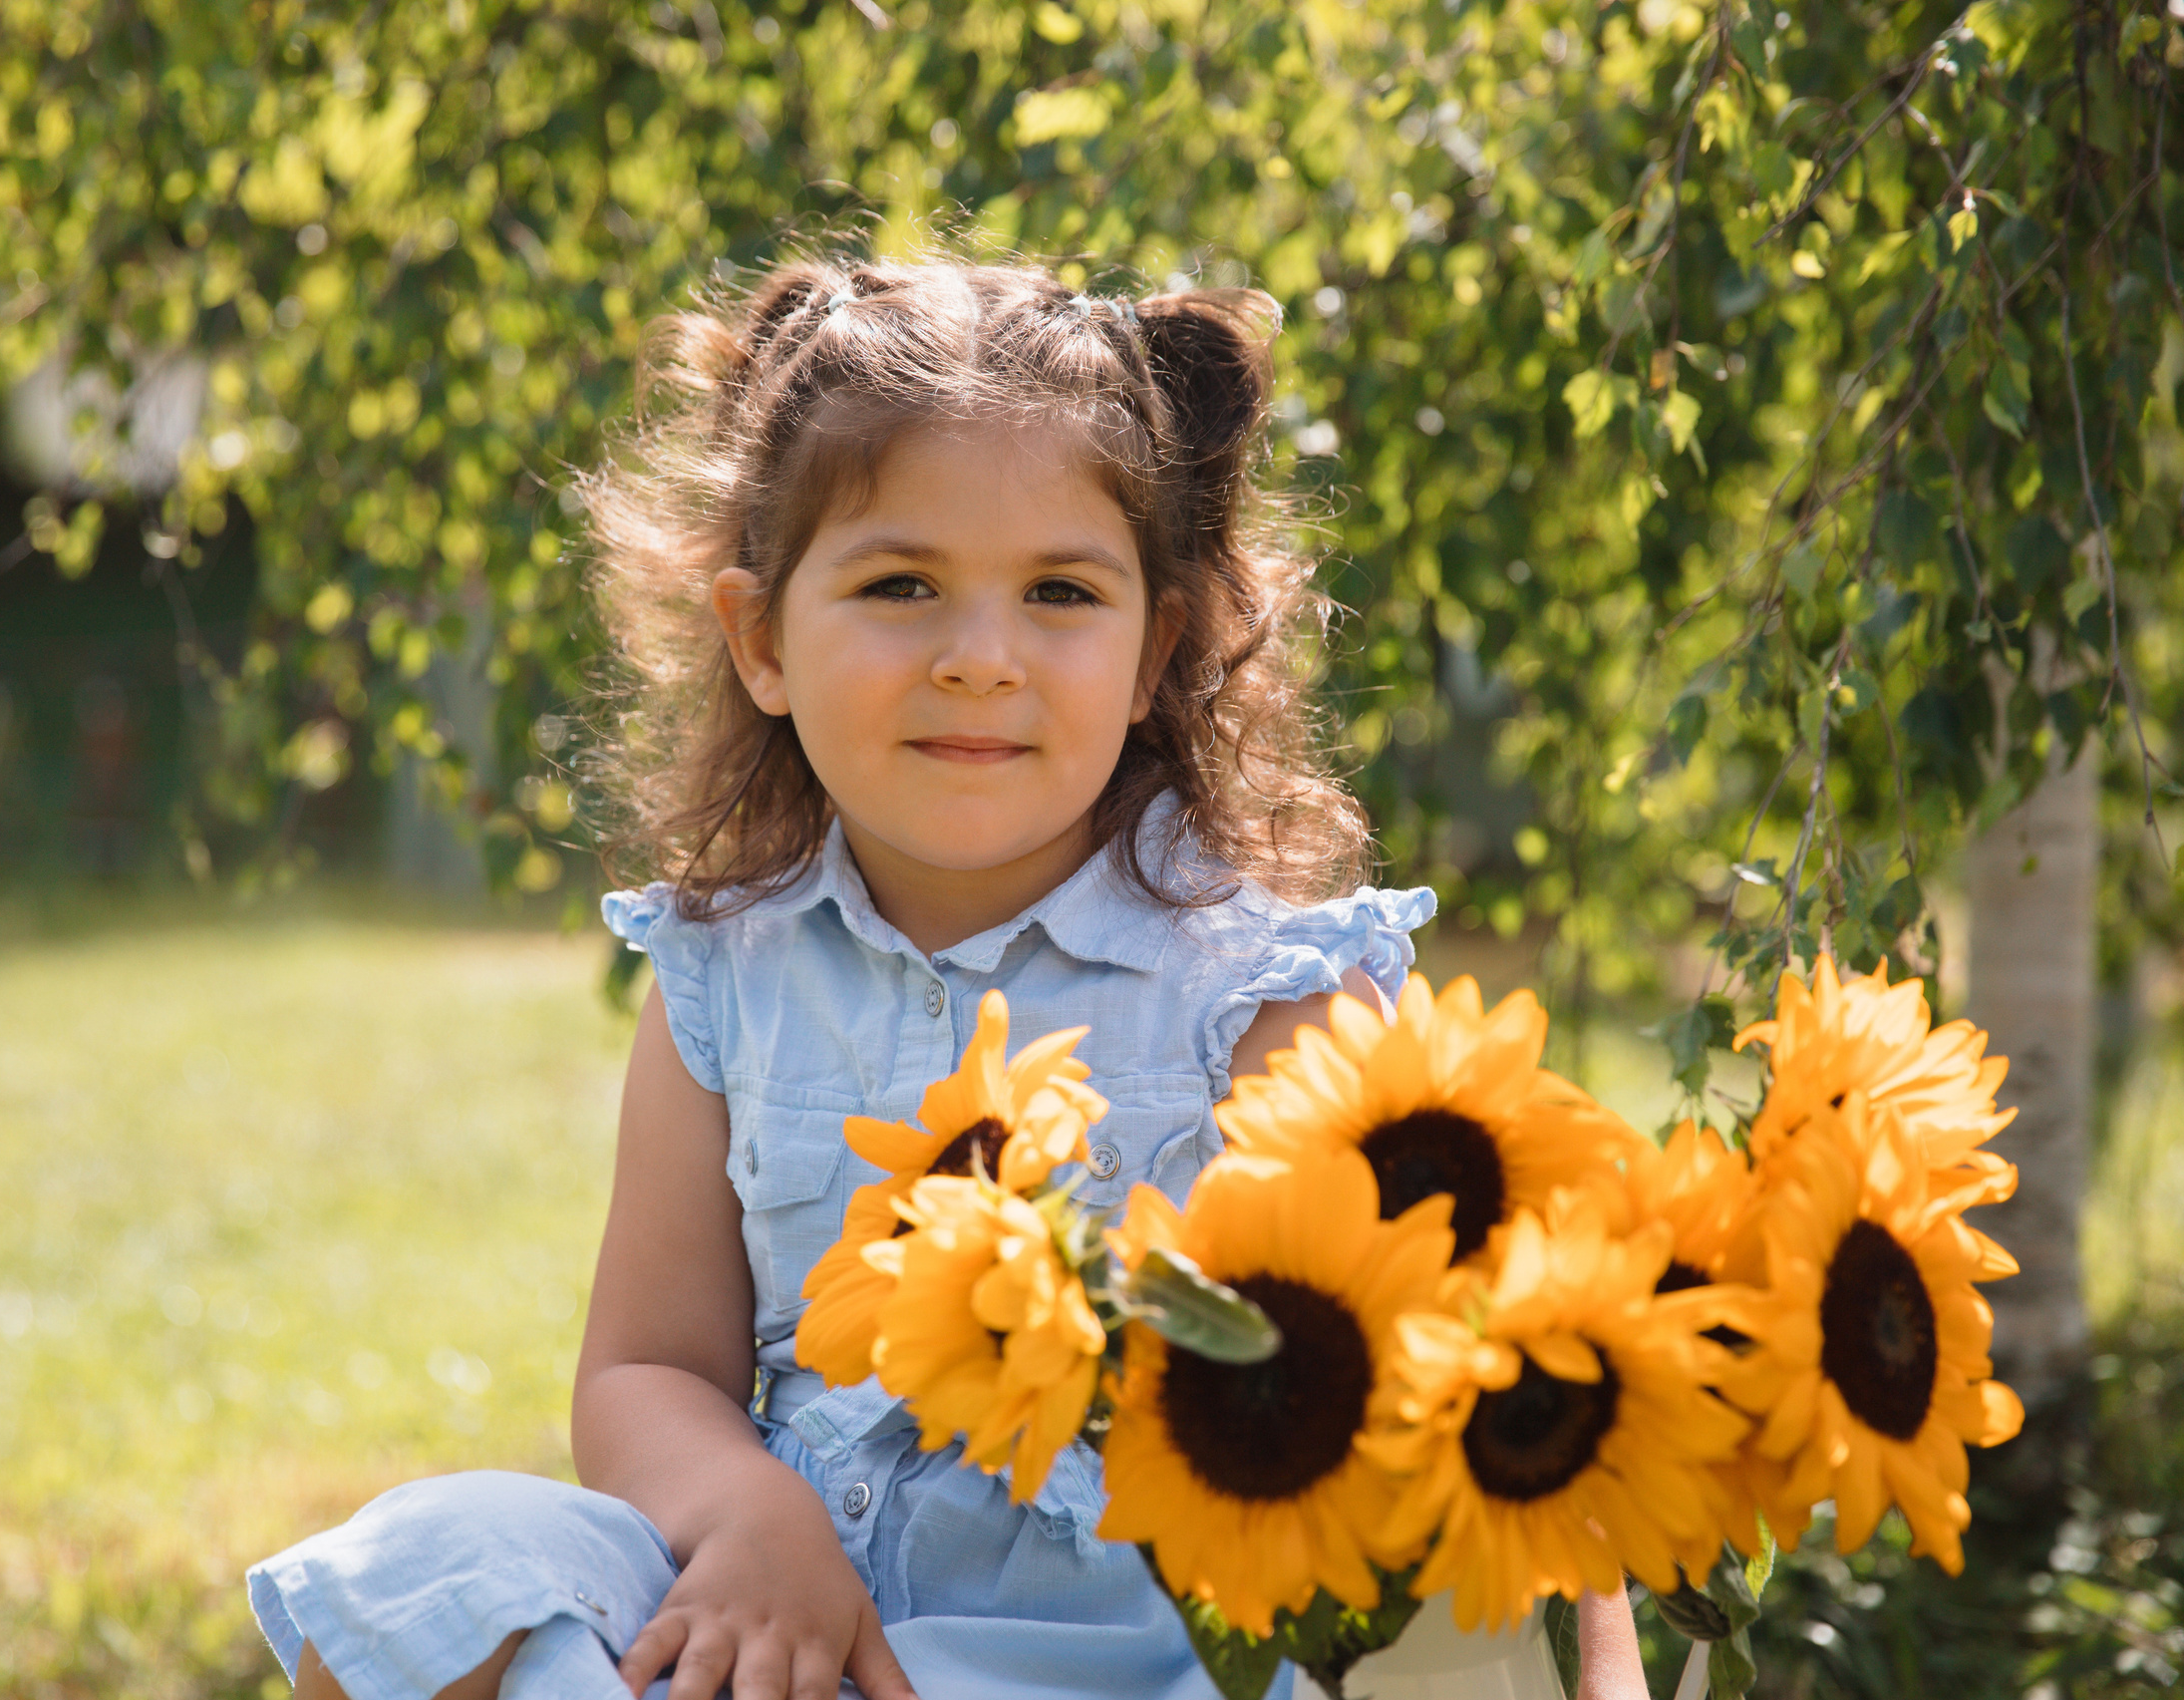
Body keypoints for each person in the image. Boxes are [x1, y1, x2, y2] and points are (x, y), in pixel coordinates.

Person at [247, 256, 1653, 1700]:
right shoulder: (728, 975)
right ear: (761, 640)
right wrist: (745, 1511)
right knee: (427, 1576)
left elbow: (1504, 1406)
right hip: (788, 1605)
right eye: (902, 584)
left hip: (1124, 1658)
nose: (982, 658)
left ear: (1154, 651)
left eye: (1060, 591)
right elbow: (647, 1369)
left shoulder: (1260, 993)